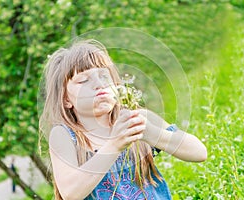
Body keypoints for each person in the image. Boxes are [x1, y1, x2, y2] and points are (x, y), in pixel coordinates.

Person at [39, 39, 207, 200]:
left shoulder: (138, 118)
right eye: (84, 80)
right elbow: (71, 193)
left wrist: (151, 133)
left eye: (104, 76)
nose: (99, 84)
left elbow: (199, 152)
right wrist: (114, 144)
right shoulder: (64, 135)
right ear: (66, 100)